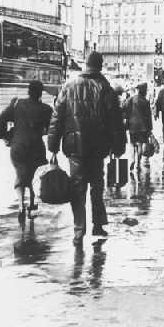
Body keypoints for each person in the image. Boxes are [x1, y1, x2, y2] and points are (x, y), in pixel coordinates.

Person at [48, 52, 126, 246]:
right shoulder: (105, 88)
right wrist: (118, 145)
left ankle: (79, 231)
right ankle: (98, 225)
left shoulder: (69, 86)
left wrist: (53, 145)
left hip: (75, 147)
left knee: (77, 189)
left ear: (86, 65)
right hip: (98, 147)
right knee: (97, 187)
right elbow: (115, 121)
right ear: (100, 66)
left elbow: (57, 118)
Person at [0, 80, 53, 224]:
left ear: (28, 91)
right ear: (40, 93)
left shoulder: (17, 104)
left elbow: (2, 118)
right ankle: (32, 200)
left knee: (20, 174)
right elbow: (52, 129)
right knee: (30, 175)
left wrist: (5, 136)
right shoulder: (46, 109)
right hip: (36, 148)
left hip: (18, 146)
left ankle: (21, 204)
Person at [123, 82, 153, 172]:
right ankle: (138, 164)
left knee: (132, 144)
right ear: (144, 91)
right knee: (140, 144)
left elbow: (124, 108)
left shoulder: (131, 99)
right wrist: (150, 128)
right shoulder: (146, 102)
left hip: (132, 125)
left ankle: (132, 159)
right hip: (143, 127)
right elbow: (148, 116)